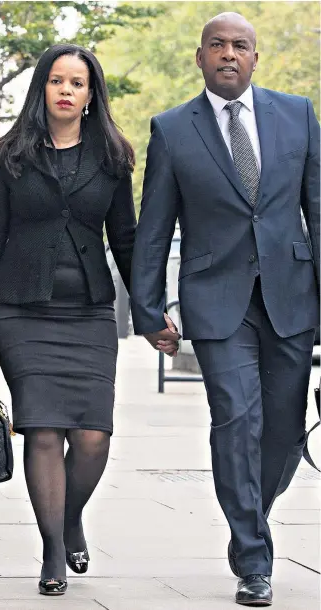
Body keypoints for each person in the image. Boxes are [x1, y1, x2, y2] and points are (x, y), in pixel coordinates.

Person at [0, 43, 177, 597]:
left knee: (91, 439)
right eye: (57, 80)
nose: (66, 90)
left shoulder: (112, 158)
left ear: (90, 94)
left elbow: (125, 242)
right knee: (42, 429)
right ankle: (54, 551)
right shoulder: (10, 155)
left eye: (77, 83)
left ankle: (70, 516)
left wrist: (151, 313)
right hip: (19, 312)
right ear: (43, 89)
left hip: (87, 314)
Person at [130, 12, 320, 607]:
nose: (229, 54)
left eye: (240, 46)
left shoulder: (299, 115)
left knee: (285, 432)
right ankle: (255, 558)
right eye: (218, 45)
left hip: (291, 294)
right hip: (217, 300)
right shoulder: (172, 129)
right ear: (200, 56)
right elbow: (154, 226)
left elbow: (317, 207)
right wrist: (147, 307)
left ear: (256, 58)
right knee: (236, 419)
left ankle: (249, 525)